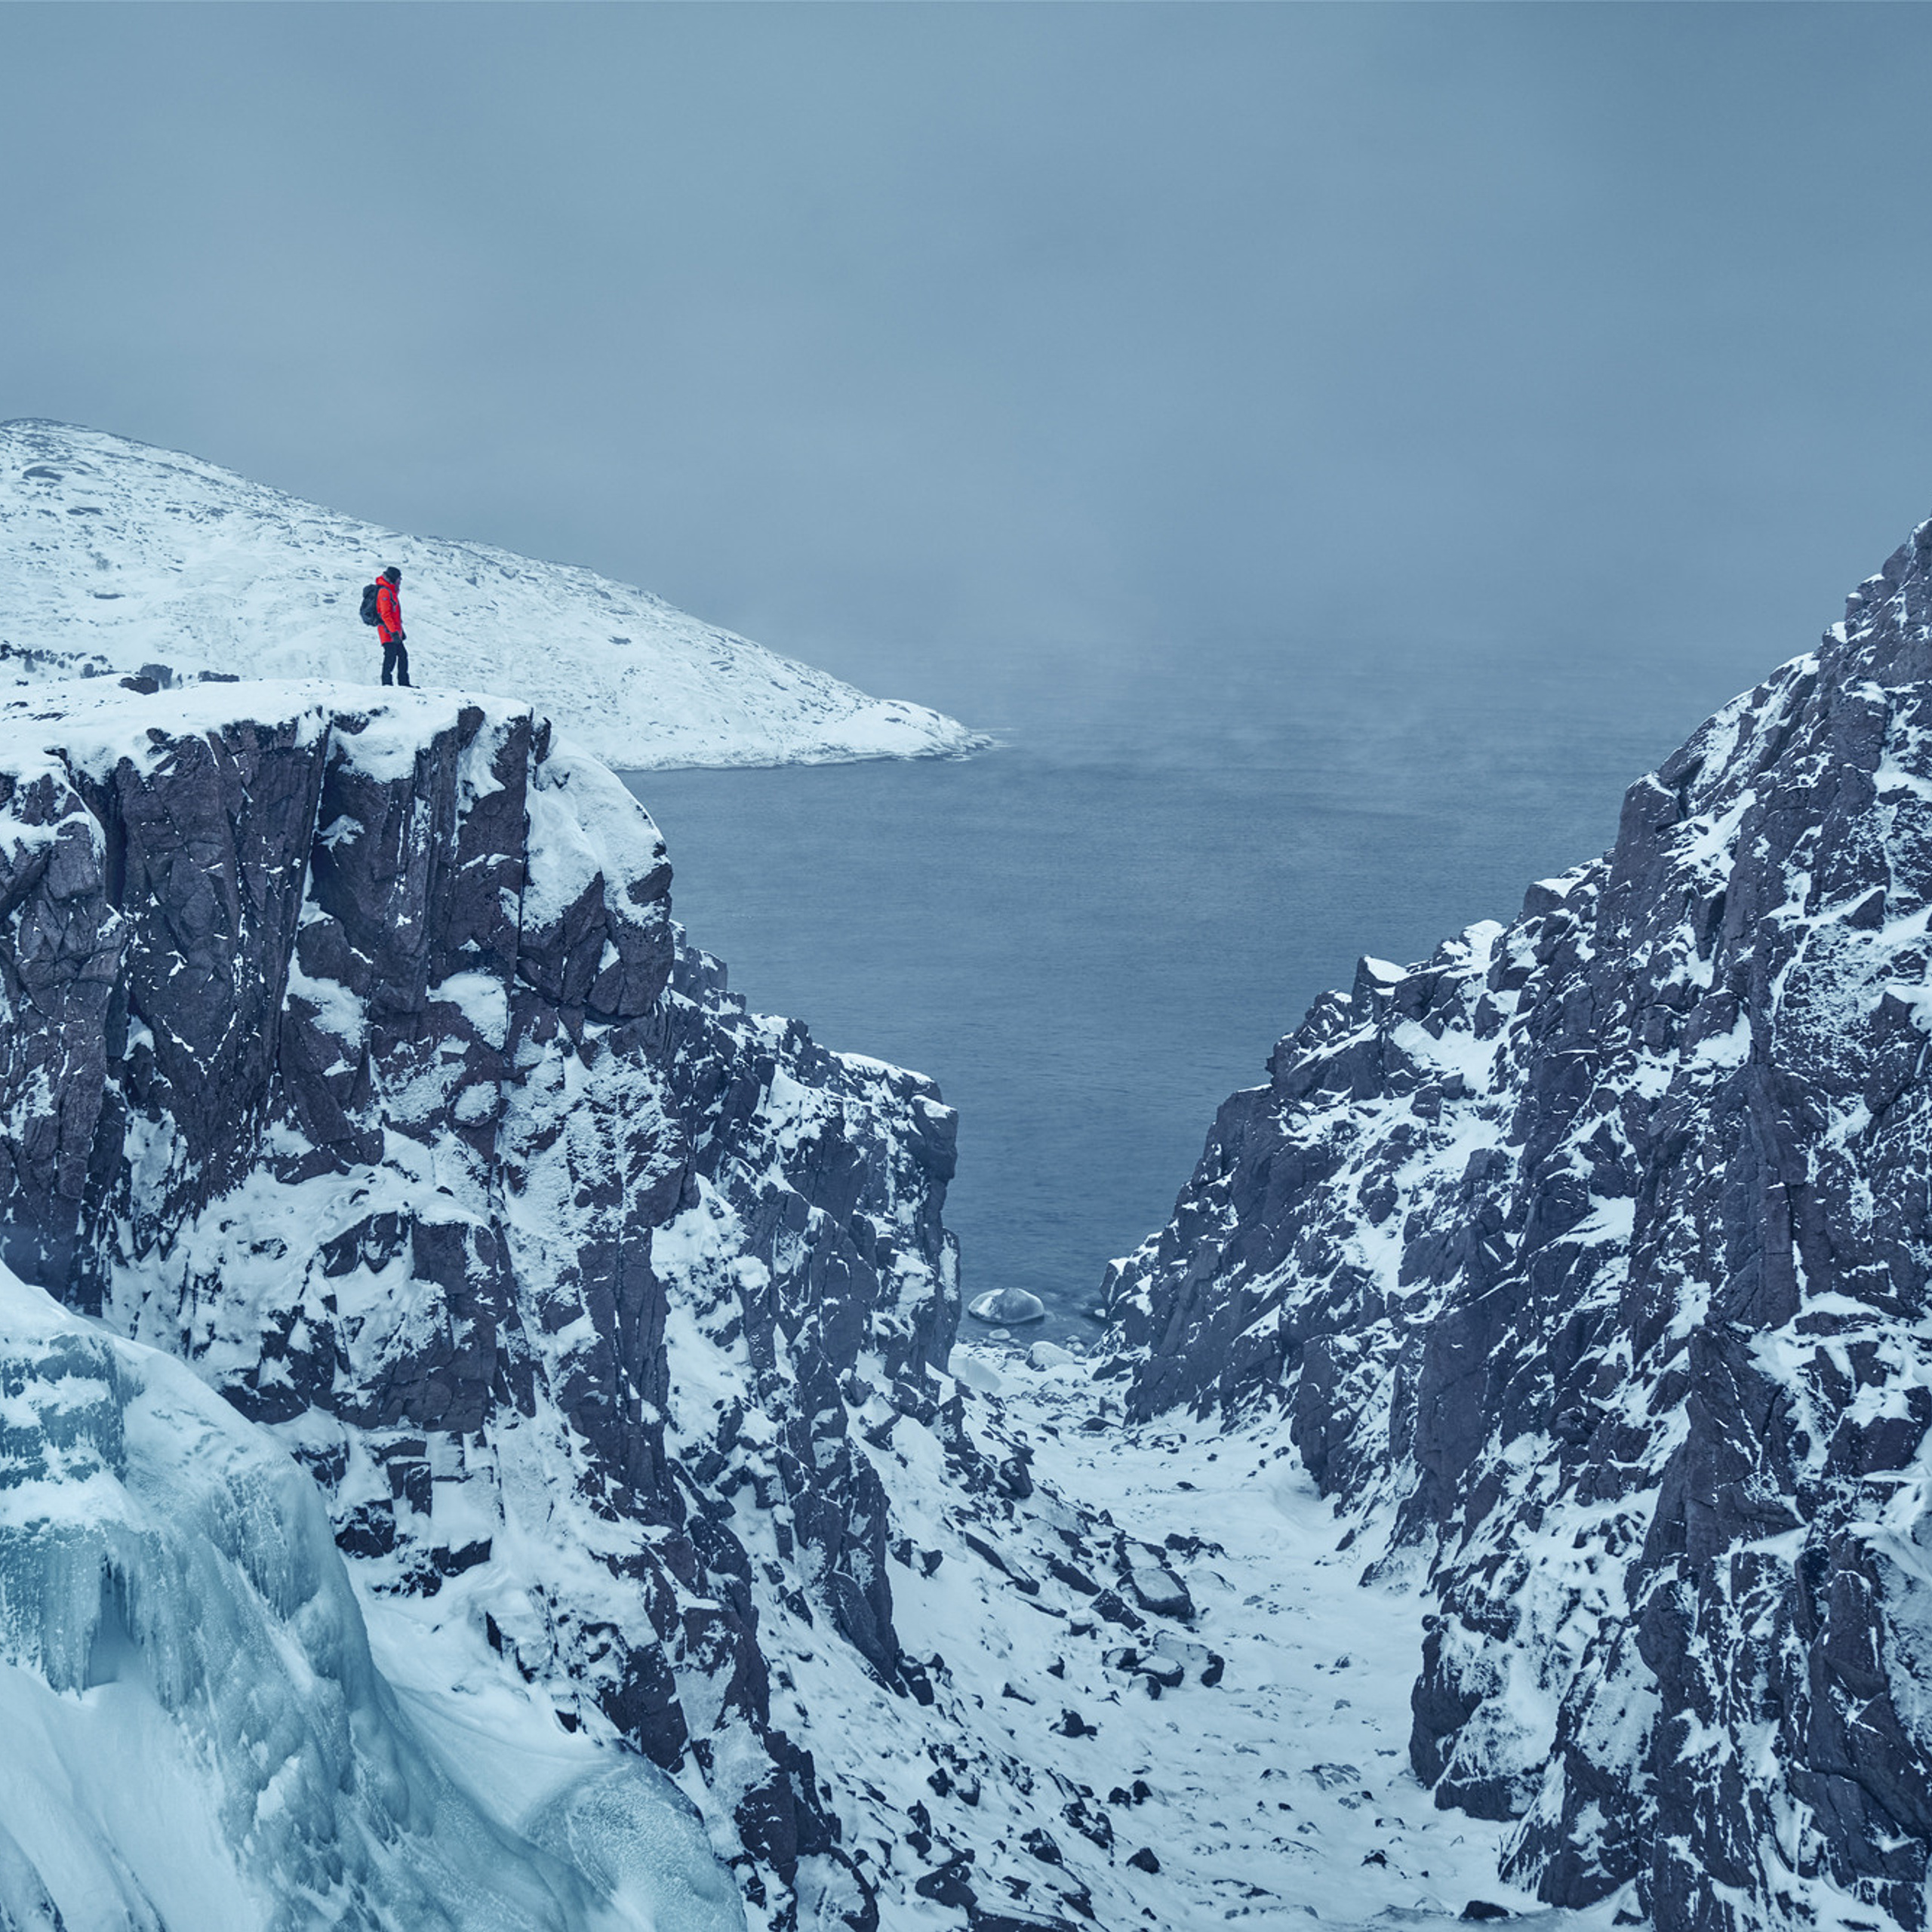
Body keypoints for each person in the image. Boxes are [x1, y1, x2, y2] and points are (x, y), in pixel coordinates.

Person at [375, 566, 409, 687]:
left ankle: (403, 683)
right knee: (391, 657)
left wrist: (401, 632)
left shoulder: (391, 592)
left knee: (402, 655)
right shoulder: (385, 592)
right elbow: (385, 615)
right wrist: (394, 632)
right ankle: (387, 684)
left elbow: (395, 616)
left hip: (394, 632)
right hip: (388, 632)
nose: (400, 581)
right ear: (394, 578)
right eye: (399, 578)